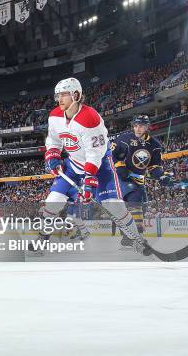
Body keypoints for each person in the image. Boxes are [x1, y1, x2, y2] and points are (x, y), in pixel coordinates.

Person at [40, 77, 149, 255]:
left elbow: (95, 153)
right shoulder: (54, 116)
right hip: (73, 165)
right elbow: (53, 140)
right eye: (58, 95)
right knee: (53, 201)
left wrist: (90, 180)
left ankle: (137, 239)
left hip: (100, 166)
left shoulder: (90, 118)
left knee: (114, 205)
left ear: (76, 95)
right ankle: (42, 238)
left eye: (64, 95)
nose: (59, 99)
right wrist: (53, 155)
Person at [111, 115, 172, 246]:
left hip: (138, 179)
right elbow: (111, 155)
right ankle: (134, 235)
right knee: (133, 202)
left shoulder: (155, 145)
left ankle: (130, 235)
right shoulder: (123, 139)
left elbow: (154, 166)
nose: (138, 128)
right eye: (136, 125)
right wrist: (119, 166)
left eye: (142, 126)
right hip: (120, 177)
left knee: (141, 205)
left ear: (147, 127)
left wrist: (161, 176)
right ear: (133, 126)